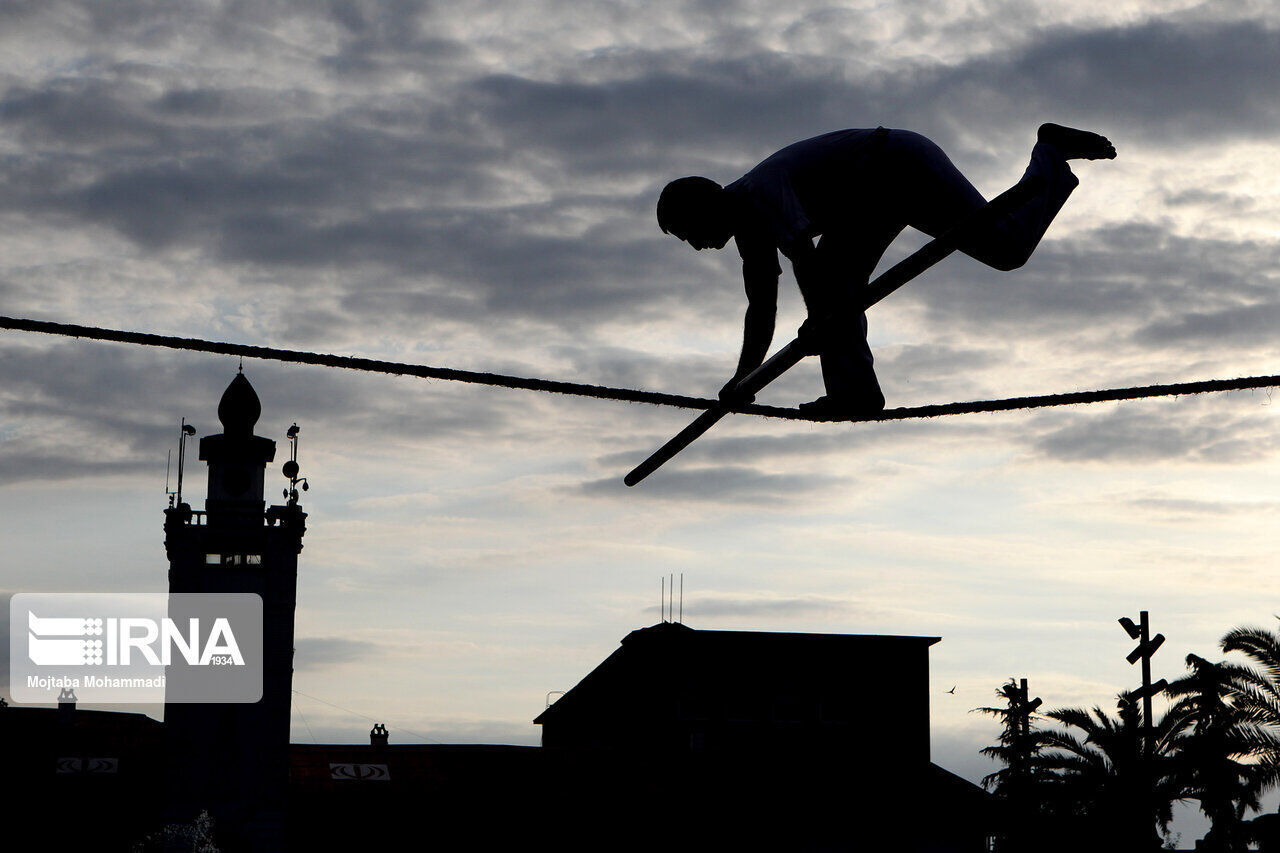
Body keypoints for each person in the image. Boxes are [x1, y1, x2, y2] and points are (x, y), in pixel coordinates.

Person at [656, 123, 1116, 416]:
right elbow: (761, 307)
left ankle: (1050, 152)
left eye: (688, 232)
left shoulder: (760, 194)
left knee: (1007, 249)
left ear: (705, 206)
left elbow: (805, 260)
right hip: (870, 193)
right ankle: (854, 395)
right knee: (834, 290)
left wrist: (819, 320)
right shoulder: (749, 229)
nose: (695, 246)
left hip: (896, 164)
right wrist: (743, 379)